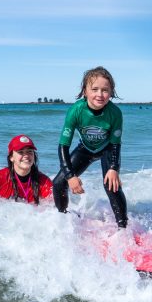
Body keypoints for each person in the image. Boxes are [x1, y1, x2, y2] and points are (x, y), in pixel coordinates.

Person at [52, 66, 128, 228]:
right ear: (85, 91)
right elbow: (63, 146)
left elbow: (115, 143)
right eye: (94, 89)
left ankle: (123, 228)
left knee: (111, 184)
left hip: (107, 149)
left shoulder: (115, 113)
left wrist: (114, 167)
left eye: (105, 90)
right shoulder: (76, 111)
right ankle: (62, 219)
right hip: (85, 149)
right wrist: (71, 176)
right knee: (59, 182)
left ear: (111, 92)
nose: (99, 94)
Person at [0, 134, 52, 204]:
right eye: (20, 152)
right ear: (11, 157)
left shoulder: (44, 182)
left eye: (29, 151)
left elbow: (51, 211)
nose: (26, 156)